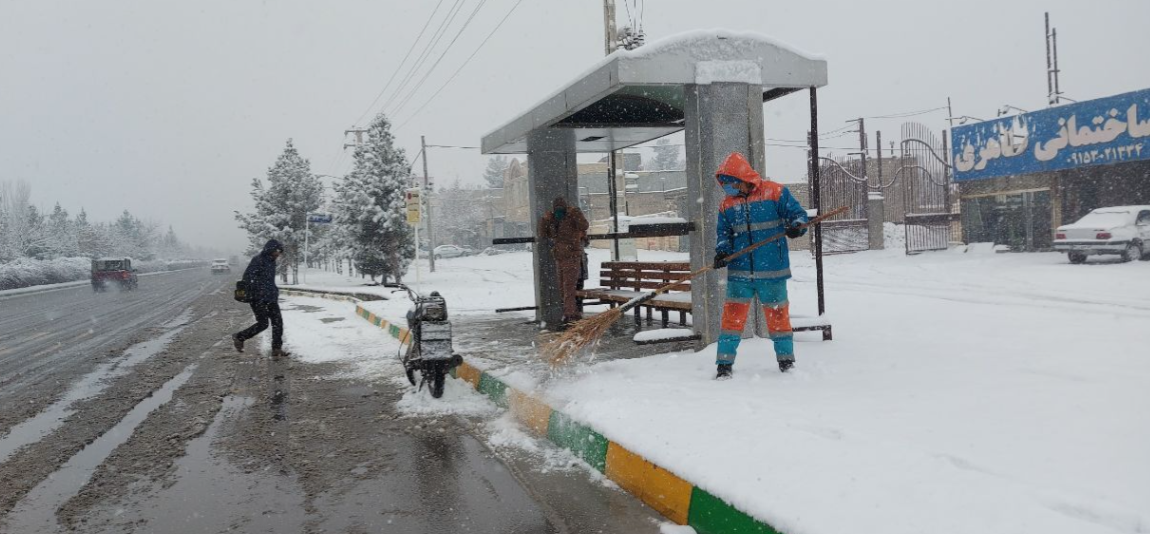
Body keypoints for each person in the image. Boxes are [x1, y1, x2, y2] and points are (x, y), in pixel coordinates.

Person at [712, 152, 808, 380]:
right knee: (732, 320)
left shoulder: (774, 192)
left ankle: (786, 362)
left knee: (778, 318)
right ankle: (724, 365)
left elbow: (798, 215)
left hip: (772, 270)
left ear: (742, 178)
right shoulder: (727, 205)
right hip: (740, 272)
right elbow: (723, 233)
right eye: (725, 185)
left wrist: (797, 226)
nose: (728, 189)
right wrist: (722, 251)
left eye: (730, 183)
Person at [232, 239, 290, 358]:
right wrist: (259, 290)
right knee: (263, 323)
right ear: (271, 249)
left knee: (278, 323)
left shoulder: (272, 262)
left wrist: (273, 291)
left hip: (271, 297)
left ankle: (276, 349)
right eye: (277, 251)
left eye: (280, 251)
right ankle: (239, 337)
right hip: (258, 298)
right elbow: (248, 277)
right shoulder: (258, 260)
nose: (278, 253)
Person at [539, 197, 589, 325]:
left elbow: (584, 225)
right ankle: (572, 313)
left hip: (571, 256)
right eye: (556, 209)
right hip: (559, 257)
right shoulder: (554, 220)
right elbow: (543, 234)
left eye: (561, 208)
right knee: (563, 288)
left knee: (568, 287)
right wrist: (545, 220)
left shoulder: (572, 216)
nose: (559, 211)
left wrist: (575, 214)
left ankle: (570, 315)